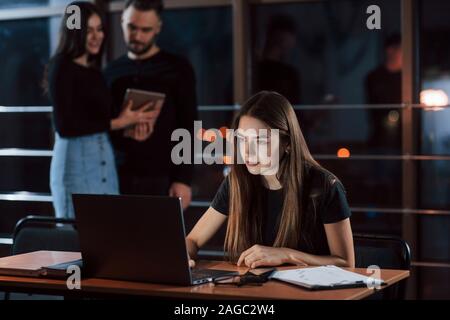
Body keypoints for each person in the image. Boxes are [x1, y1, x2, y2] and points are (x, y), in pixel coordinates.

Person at [186, 91, 354, 268]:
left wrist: (286, 255)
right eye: (242, 140)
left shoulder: (325, 186)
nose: (248, 152)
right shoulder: (237, 181)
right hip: (254, 290)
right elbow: (193, 240)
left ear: (287, 143)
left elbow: (346, 264)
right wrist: (184, 254)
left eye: (260, 141)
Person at [46, 1, 157, 218]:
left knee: (108, 232)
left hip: (104, 160)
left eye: (100, 29)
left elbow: (100, 119)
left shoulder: (96, 71)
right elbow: (65, 126)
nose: (97, 36)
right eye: (89, 31)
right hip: (75, 162)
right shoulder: (61, 67)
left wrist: (133, 122)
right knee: (76, 236)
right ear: (75, 32)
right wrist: (120, 122)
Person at [104, 0, 198, 209]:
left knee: (160, 240)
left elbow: (189, 125)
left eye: (145, 30)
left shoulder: (178, 68)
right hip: (116, 174)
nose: (137, 36)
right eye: (132, 27)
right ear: (122, 21)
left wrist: (183, 179)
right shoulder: (111, 72)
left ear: (158, 28)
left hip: (162, 175)